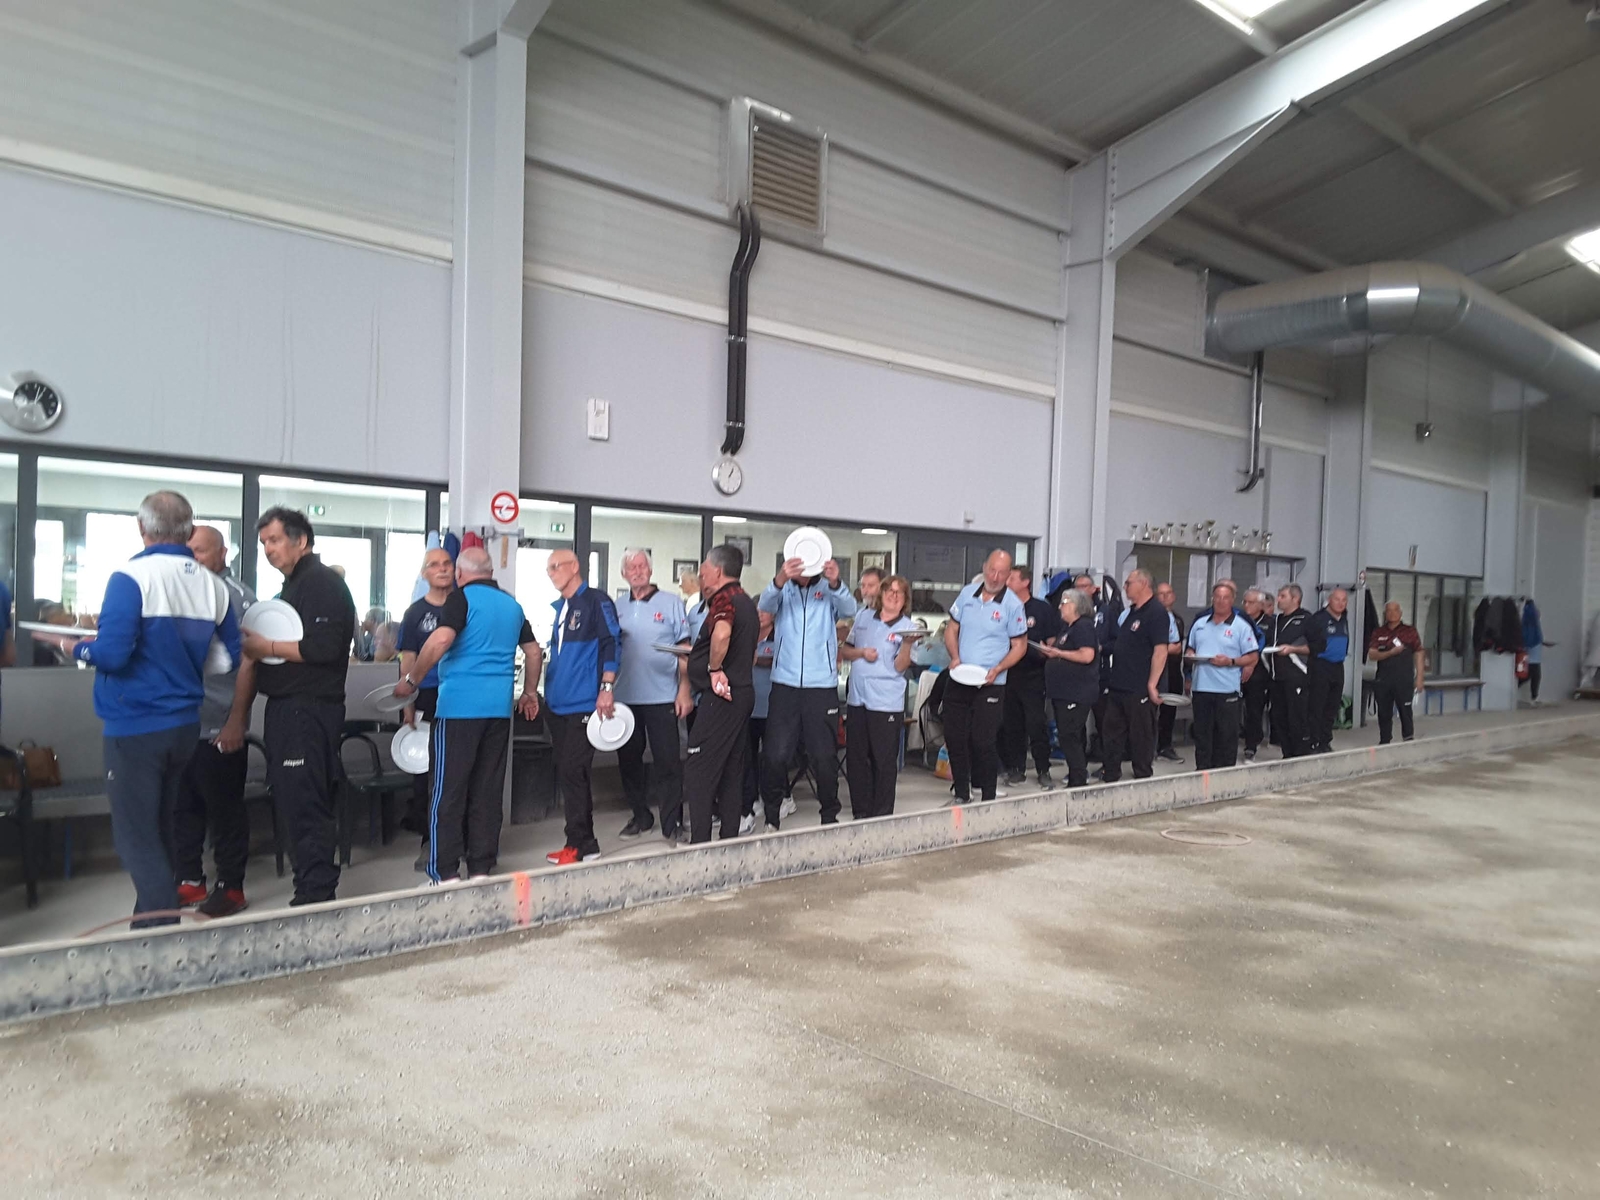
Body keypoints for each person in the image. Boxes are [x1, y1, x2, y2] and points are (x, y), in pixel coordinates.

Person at [73, 491, 239, 928]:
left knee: (134, 836)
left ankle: (163, 930)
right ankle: (148, 922)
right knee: (160, 826)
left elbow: (112, 655)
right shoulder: (214, 586)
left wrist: (79, 647)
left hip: (135, 727)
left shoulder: (130, 577)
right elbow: (228, 659)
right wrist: (180, 664)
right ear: (188, 529)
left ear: (142, 528)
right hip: (184, 727)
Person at [394, 548, 541, 882]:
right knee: (487, 790)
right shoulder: (512, 605)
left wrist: (412, 680)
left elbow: (441, 640)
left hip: (458, 710)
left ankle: (444, 870)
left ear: (460, 573)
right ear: (491, 571)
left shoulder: (459, 599)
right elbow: (533, 653)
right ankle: (481, 867)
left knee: (447, 790)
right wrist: (529, 692)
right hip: (498, 712)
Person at [238, 506, 356, 906]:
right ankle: (308, 885)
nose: (268, 549)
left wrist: (266, 646)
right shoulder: (291, 588)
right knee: (292, 800)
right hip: (288, 709)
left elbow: (324, 648)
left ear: (300, 540)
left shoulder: (321, 583)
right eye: (263, 543)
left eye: (274, 540)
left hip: (307, 711)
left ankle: (316, 893)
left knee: (306, 802)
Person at [171, 524, 256, 918]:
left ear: (223, 554)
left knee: (225, 810)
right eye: (188, 551)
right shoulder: (180, 592)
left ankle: (231, 887)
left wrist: (237, 721)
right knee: (182, 804)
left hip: (220, 723)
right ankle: (190, 880)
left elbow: (251, 663)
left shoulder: (236, 597)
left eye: (201, 551)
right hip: (182, 722)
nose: (193, 558)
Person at [758, 554, 856, 829]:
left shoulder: (828, 590)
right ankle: (772, 816)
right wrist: (780, 579)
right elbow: (765, 605)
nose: (802, 568)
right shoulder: (782, 589)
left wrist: (836, 582)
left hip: (821, 685)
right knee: (775, 755)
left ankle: (829, 815)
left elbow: (850, 608)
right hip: (785, 684)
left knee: (824, 756)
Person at [539, 549, 620, 864]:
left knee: (573, 771)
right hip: (557, 704)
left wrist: (606, 688)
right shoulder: (561, 608)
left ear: (574, 567)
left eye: (555, 567)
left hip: (584, 703)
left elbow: (612, 643)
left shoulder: (596, 601)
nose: (551, 573)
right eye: (548, 569)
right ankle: (585, 843)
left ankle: (578, 844)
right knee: (571, 773)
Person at [612, 548, 692, 839]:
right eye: (631, 567)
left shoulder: (671, 603)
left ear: (650, 570)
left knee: (668, 762)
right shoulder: (616, 606)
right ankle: (640, 816)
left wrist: (684, 690)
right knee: (629, 761)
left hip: (663, 697)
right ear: (624, 574)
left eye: (642, 566)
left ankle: (672, 824)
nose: (637, 571)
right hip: (625, 697)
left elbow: (685, 650)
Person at [682, 543, 759, 843]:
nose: (700, 577)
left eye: (703, 571)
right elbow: (749, 652)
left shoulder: (724, 599)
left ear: (717, 571)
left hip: (722, 697)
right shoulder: (746, 601)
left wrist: (714, 669)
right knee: (730, 771)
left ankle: (700, 844)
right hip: (741, 693)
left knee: (698, 770)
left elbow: (723, 633)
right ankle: (728, 840)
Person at [941, 549, 1028, 804]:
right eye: (992, 570)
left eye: (1001, 573)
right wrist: (954, 656)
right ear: (984, 567)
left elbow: (1020, 646)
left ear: (1008, 575)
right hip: (960, 677)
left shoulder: (1013, 605)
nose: (995, 577)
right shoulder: (967, 593)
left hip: (991, 683)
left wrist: (999, 668)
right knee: (954, 737)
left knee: (982, 741)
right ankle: (961, 792)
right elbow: (951, 629)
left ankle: (988, 795)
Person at [397, 547, 457, 870]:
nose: (443, 569)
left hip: (458, 695)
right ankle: (428, 841)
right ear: (424, 574)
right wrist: (407, 702)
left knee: (457, 770)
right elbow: (407, 659)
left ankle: (458, 840)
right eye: (434, 565)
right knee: (426, 772)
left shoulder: (464, 606)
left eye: (447, 563)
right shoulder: (415, 613)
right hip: (425, 696)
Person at [841, 574, 917, 818]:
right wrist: (862, 652)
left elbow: (900, 667)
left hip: (885, 702)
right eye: (889, 591)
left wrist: (907, 644)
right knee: (856, 758)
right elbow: (846, 650)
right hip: (857, 698)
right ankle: (860, 811)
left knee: (883, 760)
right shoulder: (863, 617)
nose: (893, 596)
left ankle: (882, 814)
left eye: (899, 592)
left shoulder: (909, 627)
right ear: (881, 594)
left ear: (905, 599)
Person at [1101, 568, 1168, 782]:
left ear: (1144, 584)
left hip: (1139, 686)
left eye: (1129, 583)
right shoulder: (1131, 612)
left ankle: (1142, 776)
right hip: (1119, 684)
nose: (1125, 587)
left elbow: (1160, 650)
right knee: (1111, 733)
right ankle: (1111, 773)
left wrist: (1152, 684)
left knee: (1141, 735)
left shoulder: (1156, 612)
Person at [1184, 582, 1259, 770]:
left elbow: (1253, 656)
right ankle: (1202, 772)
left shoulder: (1241, 626)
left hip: (1227, 690)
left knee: (1226, 736)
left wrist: (1231, 661)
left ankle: (1225, 774)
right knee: (1202, 735)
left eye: (1225, 597)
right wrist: (1191, 655)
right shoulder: (1200, 624)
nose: (1221, 601)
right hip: (1201, 688)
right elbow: (1190, 648)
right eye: (1217, 597)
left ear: (1232, 600)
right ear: (1212, 599)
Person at [998, 566, 1060, 789]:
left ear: (1025, 582)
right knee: (1012, 723)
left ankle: (1043, 769)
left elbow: (1053, 640)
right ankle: (1017, 768)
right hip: (1008, 673)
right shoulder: (1004, 607)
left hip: (1033, 675)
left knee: (1035, 723)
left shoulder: (1041, 609)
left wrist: (1047, 650)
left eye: (1012, 579)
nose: (1007, 583)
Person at [1039, 588, 1097, 787]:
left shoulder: (1083, 626)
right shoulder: (1067, 628)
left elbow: (1087, 655)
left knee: (1069, 735)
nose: (1060, 607)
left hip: (1076, 692)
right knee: (1066, 735)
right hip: (1062, 692)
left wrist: (1058, 654)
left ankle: (1078, 779)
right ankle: (1075, 775)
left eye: (1064, 602)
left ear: (1077, 606)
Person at [1261, 584, 1324, 759]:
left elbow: (1319, 646)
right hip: (1276, 678)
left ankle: (1300, 755)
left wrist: (1293, 649)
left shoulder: (1307, 619)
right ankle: (1287, 755)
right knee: (1280, 719)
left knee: (1297, 719)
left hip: (1297, 677)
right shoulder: (1276, 621)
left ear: (1295, 599)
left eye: (1282, 596)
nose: (1278, 599)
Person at [1368, 601, 1424, 744]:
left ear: (1400, 613)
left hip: (1404, 679)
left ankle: (1408, 739)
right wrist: (1390, 653)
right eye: (1389, 610)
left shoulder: (1410, 631)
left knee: (1405, 711)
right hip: (1383, 679)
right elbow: (1372, 655)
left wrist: (1419, 678)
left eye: (1395, 610)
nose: (1392, 613)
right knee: (1383, 713)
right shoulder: (1379, 632)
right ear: (1385, 614)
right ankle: (1385, 741)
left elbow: (1419, 653)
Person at [741, 613, 776, 835]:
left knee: (772, 758)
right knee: (748, 758)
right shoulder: (747, 635)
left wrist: (755, 660)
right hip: (749, 708)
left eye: (765, 611)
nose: (760, 615)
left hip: (772, 707)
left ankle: (780, 798)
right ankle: (752, 799)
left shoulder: (779, 635)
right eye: (757, 611)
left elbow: (780, 660)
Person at [1309, 588, 1350, 753]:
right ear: (1329, 600)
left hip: (1338, 667)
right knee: (1317, 705)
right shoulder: (1318, 619)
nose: (1340, 603)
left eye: (1344, 600)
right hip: (1321, 666)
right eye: (1337, 599)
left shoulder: (1344, 618)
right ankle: (1313, 741)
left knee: (1332, 706)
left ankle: (1325, 741)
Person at [1239, 588, 1273, 761]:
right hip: (1235, 669)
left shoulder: (1270, 623)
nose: (1246, 605)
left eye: (1251, 602)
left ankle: (1251, 745)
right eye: (1244, 602)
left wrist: (1252, 663)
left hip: (1259, 673)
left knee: (1254, 710)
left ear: (1261, 605)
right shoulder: (1237, 619)